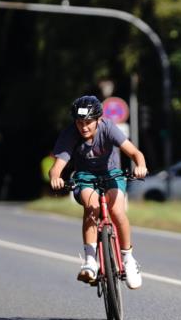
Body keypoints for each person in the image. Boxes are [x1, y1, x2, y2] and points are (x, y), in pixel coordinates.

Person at [48, 95, 148, 289]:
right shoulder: (70, 134)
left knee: (117, 211)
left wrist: (140, 166)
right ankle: (90, 261)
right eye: (79, 122)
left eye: (88, 122)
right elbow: (57, 167)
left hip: (112, 174)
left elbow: (135, 153)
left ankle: (128, 259)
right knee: (91, 208)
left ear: (98, 120)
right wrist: (55, 177)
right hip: (85, 177)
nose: (83, 127)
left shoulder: (108, 127)